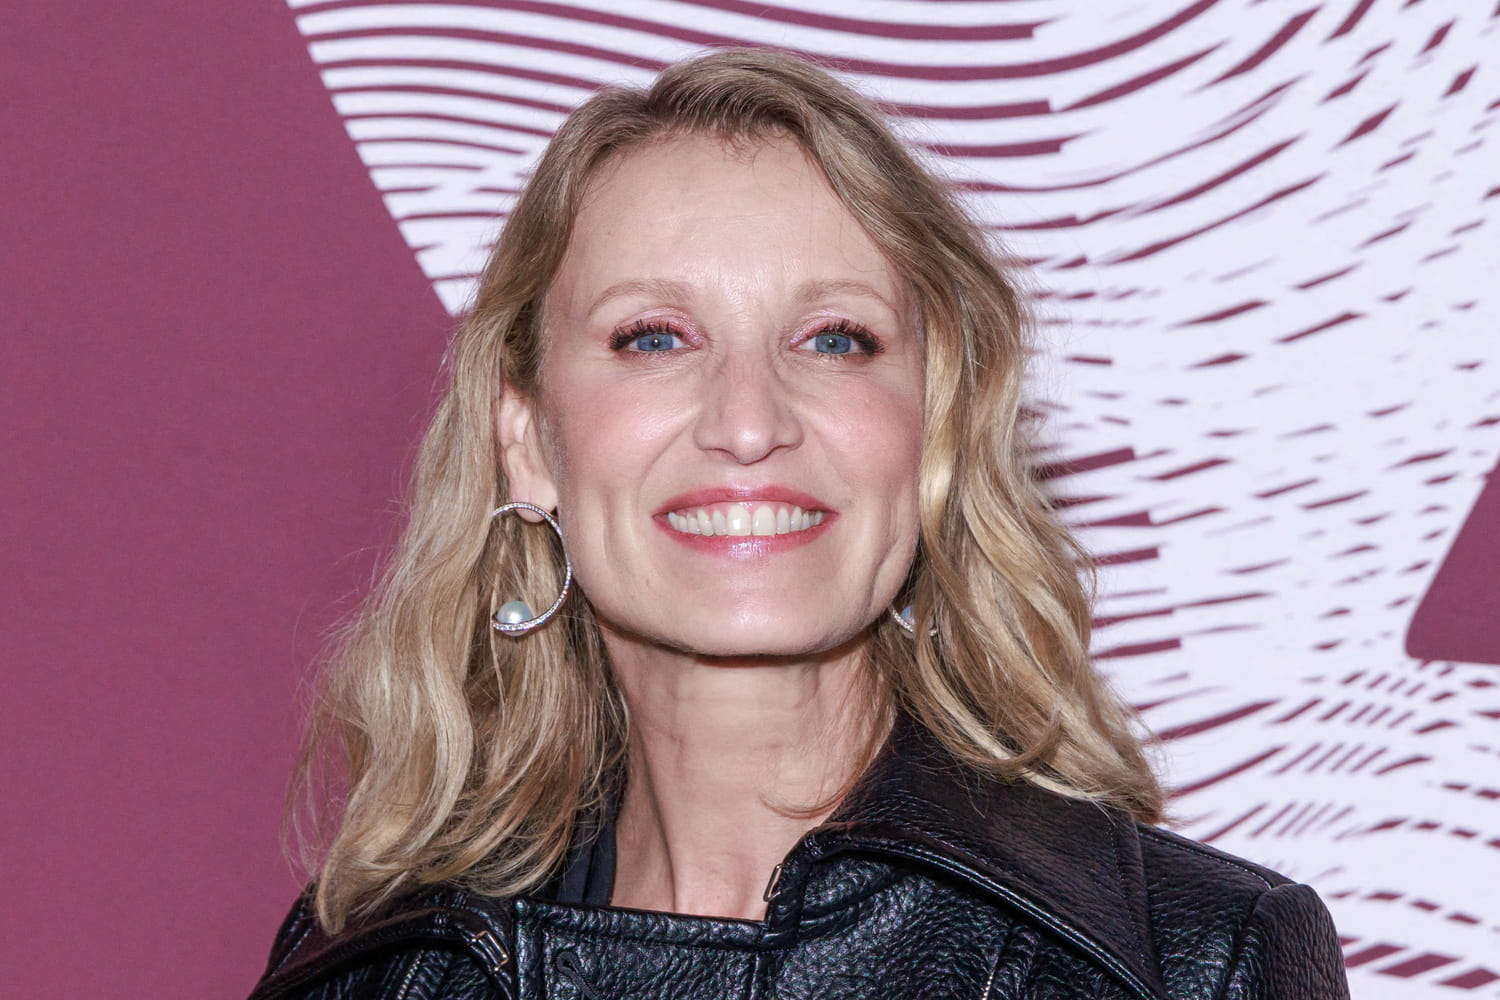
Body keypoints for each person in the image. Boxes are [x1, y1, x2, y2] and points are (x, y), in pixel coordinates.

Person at [247, 47, 1349, 1000]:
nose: (748, 423)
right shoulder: (375, 970)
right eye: (654, 337)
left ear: (934, 430)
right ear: (530, 440)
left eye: (835, 339)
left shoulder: (1188, 963)